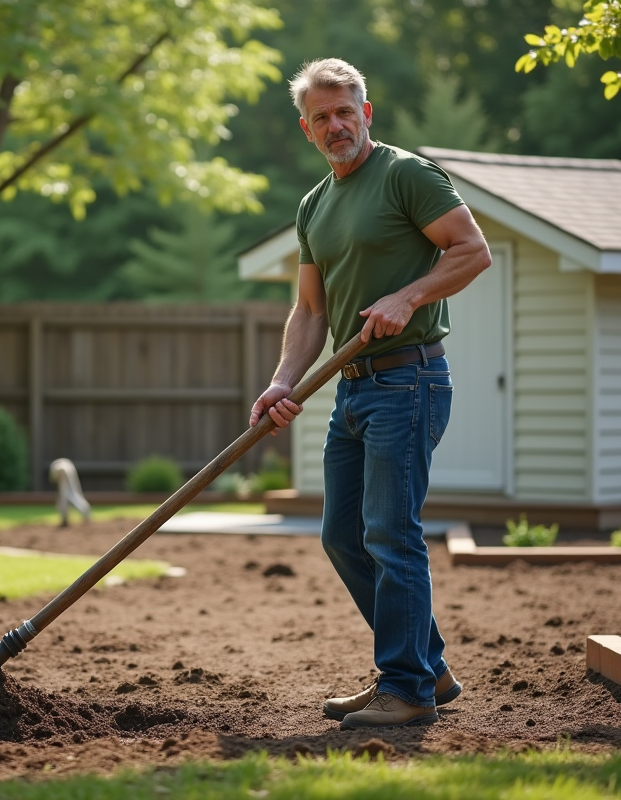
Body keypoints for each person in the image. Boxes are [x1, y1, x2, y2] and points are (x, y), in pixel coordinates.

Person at [249, 58, 491, 728]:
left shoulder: (405, 175)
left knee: (390, 532)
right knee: (342, 536)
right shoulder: (314, 206)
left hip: (408, 378)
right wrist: (281, 382)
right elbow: (310, 312)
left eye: (344, 111)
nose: (336, 125)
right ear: (307, 129)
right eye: (321, 117)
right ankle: (425, 668)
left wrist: (406, 296)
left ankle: (406, 688)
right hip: (352, 389)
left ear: (367, 112)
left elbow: (472, 251)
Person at [49, 458, 91, 527]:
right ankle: (84, 512)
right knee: (69, 494)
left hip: (63, 468)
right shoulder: (63, 466)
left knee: (67, 495)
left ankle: (66, 518)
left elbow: (54, 479)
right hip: (67, 467)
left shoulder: (56, 468)